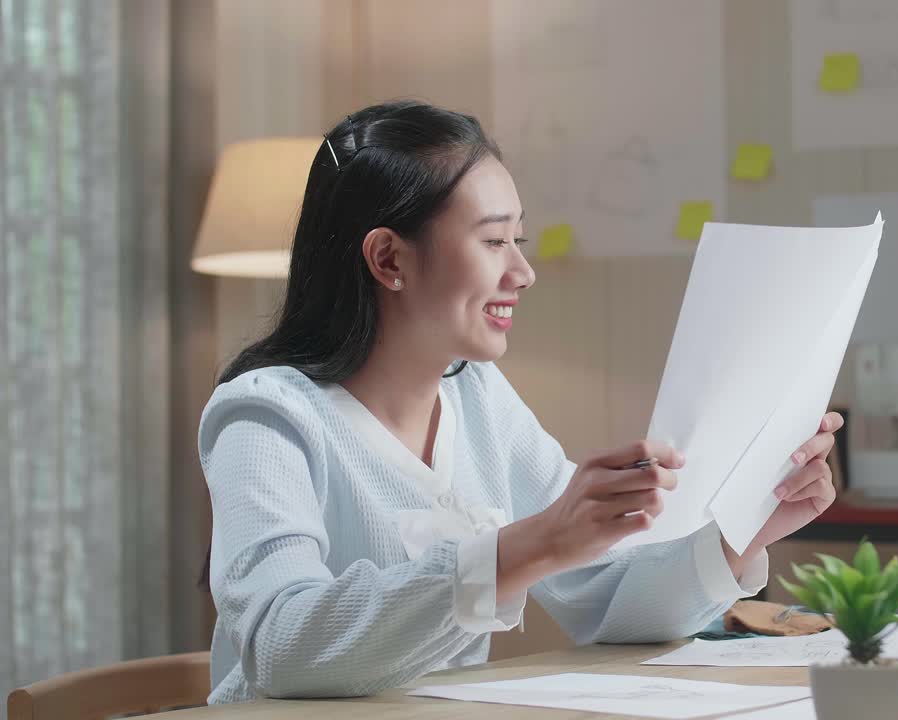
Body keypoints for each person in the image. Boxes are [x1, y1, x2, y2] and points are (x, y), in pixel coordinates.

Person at [198, 100, 844, 704]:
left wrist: (743, 529)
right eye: (493, 241)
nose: (522, 273)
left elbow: (607, 598)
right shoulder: (267, 416)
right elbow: (282, 645)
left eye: (520, 241)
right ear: (389, 258)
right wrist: (535, 544)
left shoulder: (476, 395)